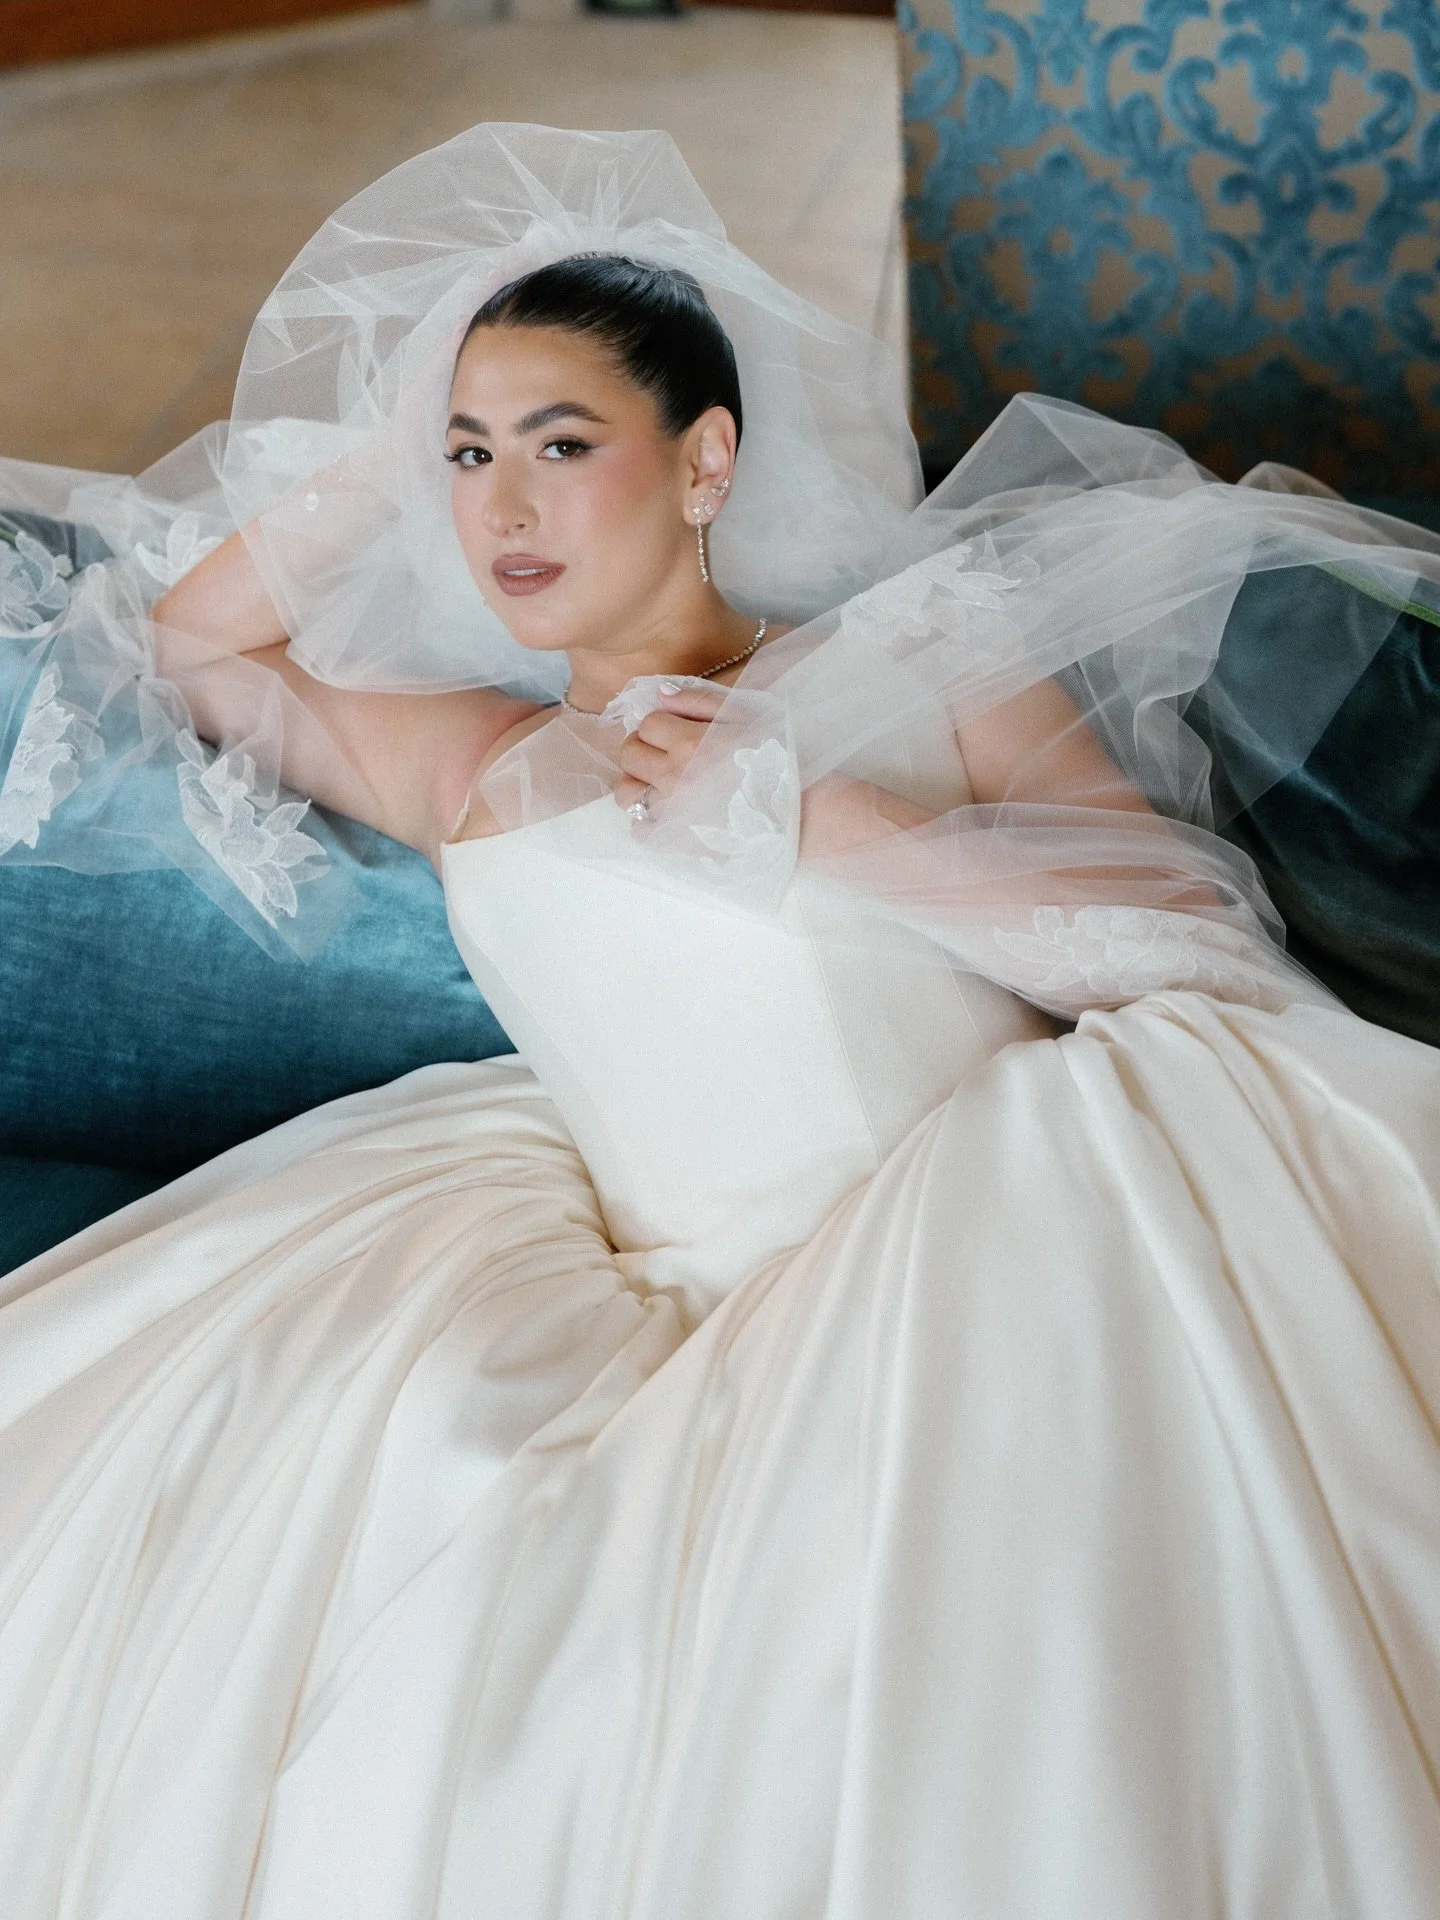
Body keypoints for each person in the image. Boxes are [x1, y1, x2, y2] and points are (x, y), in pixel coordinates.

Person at [0, 123, 1438, 1918]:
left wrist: (822, 823)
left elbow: (1176, 924)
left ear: (707, 462)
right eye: (472, 458)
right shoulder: (482, 763)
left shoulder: (925, 654)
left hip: (977, 1257)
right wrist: (390, 444)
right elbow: (201, 654)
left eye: (561, 445)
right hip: (643, 1300)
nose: (504, 510)